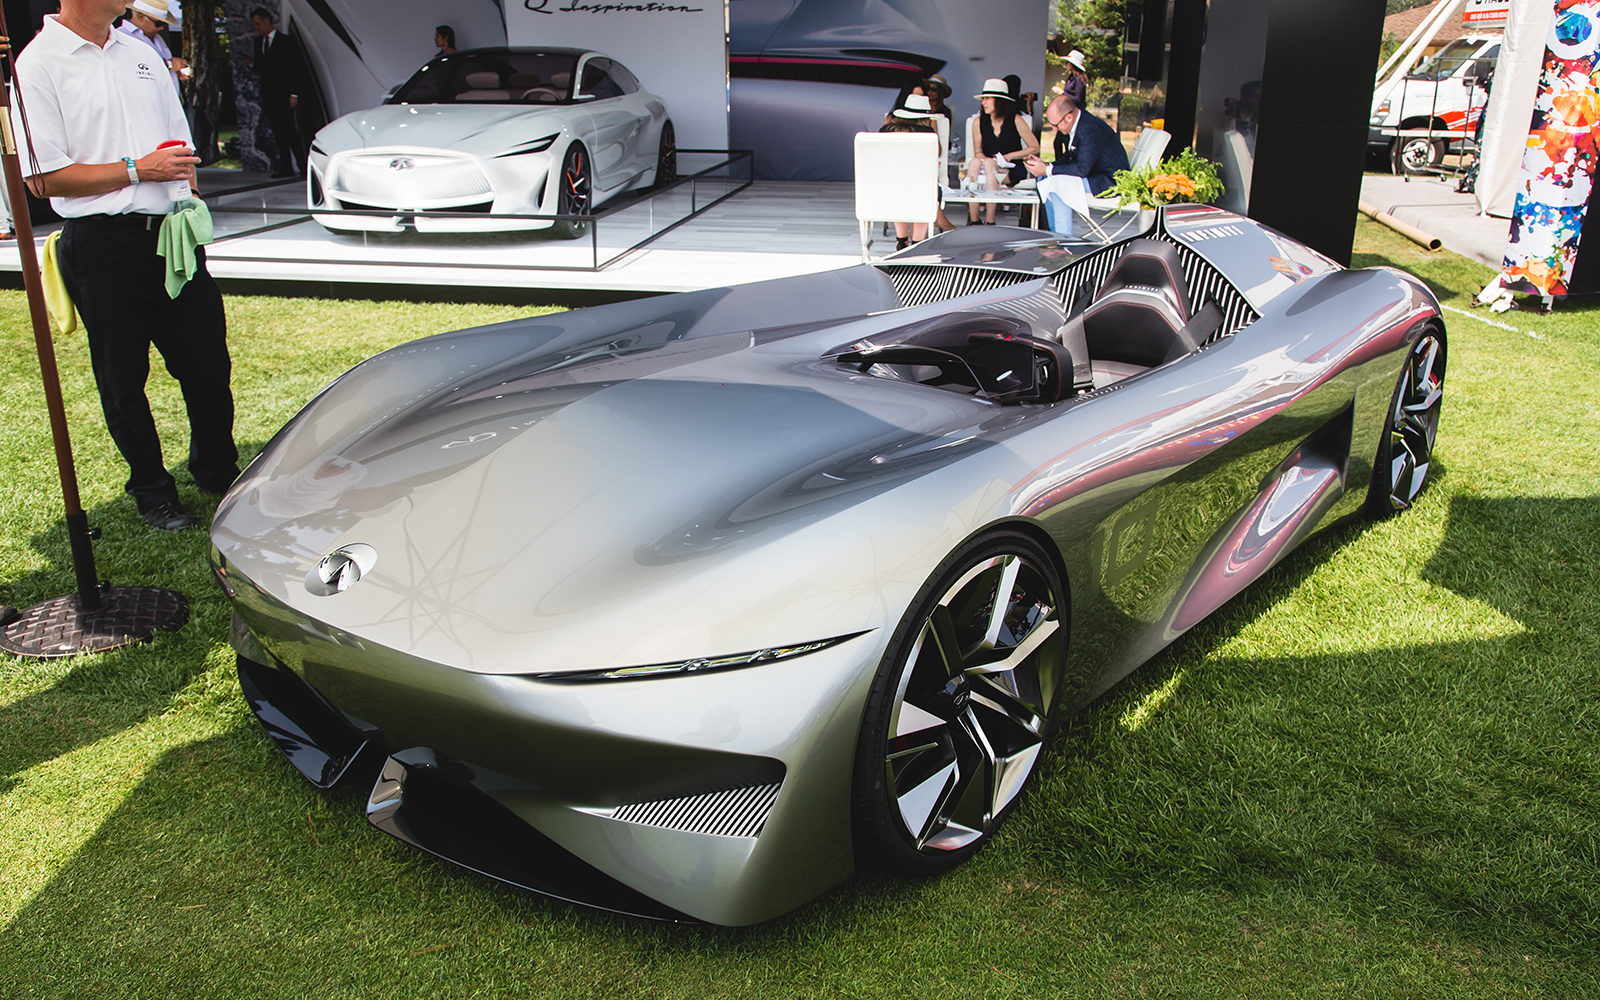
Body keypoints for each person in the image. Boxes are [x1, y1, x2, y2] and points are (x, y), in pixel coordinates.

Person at [10, 0, 239, 532]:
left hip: (172, 234)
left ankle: (217, 470)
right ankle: (152, 490)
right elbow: (43, 179)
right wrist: (139, 170)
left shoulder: (140, 52)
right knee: (122, 377)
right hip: (102, 244)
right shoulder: (38, 62)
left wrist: (188, 202)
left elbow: (178, 147)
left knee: (207, 361)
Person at [1025, 80, 1129, 198]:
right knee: (1044, 179)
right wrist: (1046, 165)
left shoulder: (1089, 128)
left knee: (1056, 185)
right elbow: (1069, 158)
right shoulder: (1071, 125)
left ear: (1069, 117)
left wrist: (1048, 170)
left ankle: (1062, 218)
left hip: (1109, 181)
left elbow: (1081, 169)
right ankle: (1048, 217)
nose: (1054, 128)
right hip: (1094, 175)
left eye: (1056, 124)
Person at [243, 7, 308, 178]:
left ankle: (303, 166)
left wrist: (294, 93)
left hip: (284, 93)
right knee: (278, 132)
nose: (256, 27)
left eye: (258, 23)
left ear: (266, 21)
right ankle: (286, 167)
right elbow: (261, 68)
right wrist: (251, 63)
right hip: (269, 94)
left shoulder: (286, 41)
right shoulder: (259, 42)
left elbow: (295, 68)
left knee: (290, 131)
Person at [966, 77, 1038, 225]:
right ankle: (974, 219)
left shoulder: (1016, 120)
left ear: (999, 101)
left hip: (1011, 169)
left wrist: (1010, 156)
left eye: (987, 99)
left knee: (989, 166)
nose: (983, 102)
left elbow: (1035, 147)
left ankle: (990, 220)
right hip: (987, 167)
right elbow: (978, 152)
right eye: (983, 99)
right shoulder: (978, 122)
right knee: (974, 162)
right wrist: (987, 161)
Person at [879, 94, 940, 249]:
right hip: (918, 189)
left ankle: (901, 240)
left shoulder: (885, 130)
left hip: (887, 191)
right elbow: (935, 157)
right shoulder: (927, 132)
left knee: (896, 188)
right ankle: (918, 242)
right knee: (927, 189)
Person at [118, 0, 188, 94]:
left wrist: (174, 73)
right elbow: (132, 68)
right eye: (158, 23)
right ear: (141, 17)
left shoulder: (158, 38)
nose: (161, 28)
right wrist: (169, 64)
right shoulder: (122, 36)